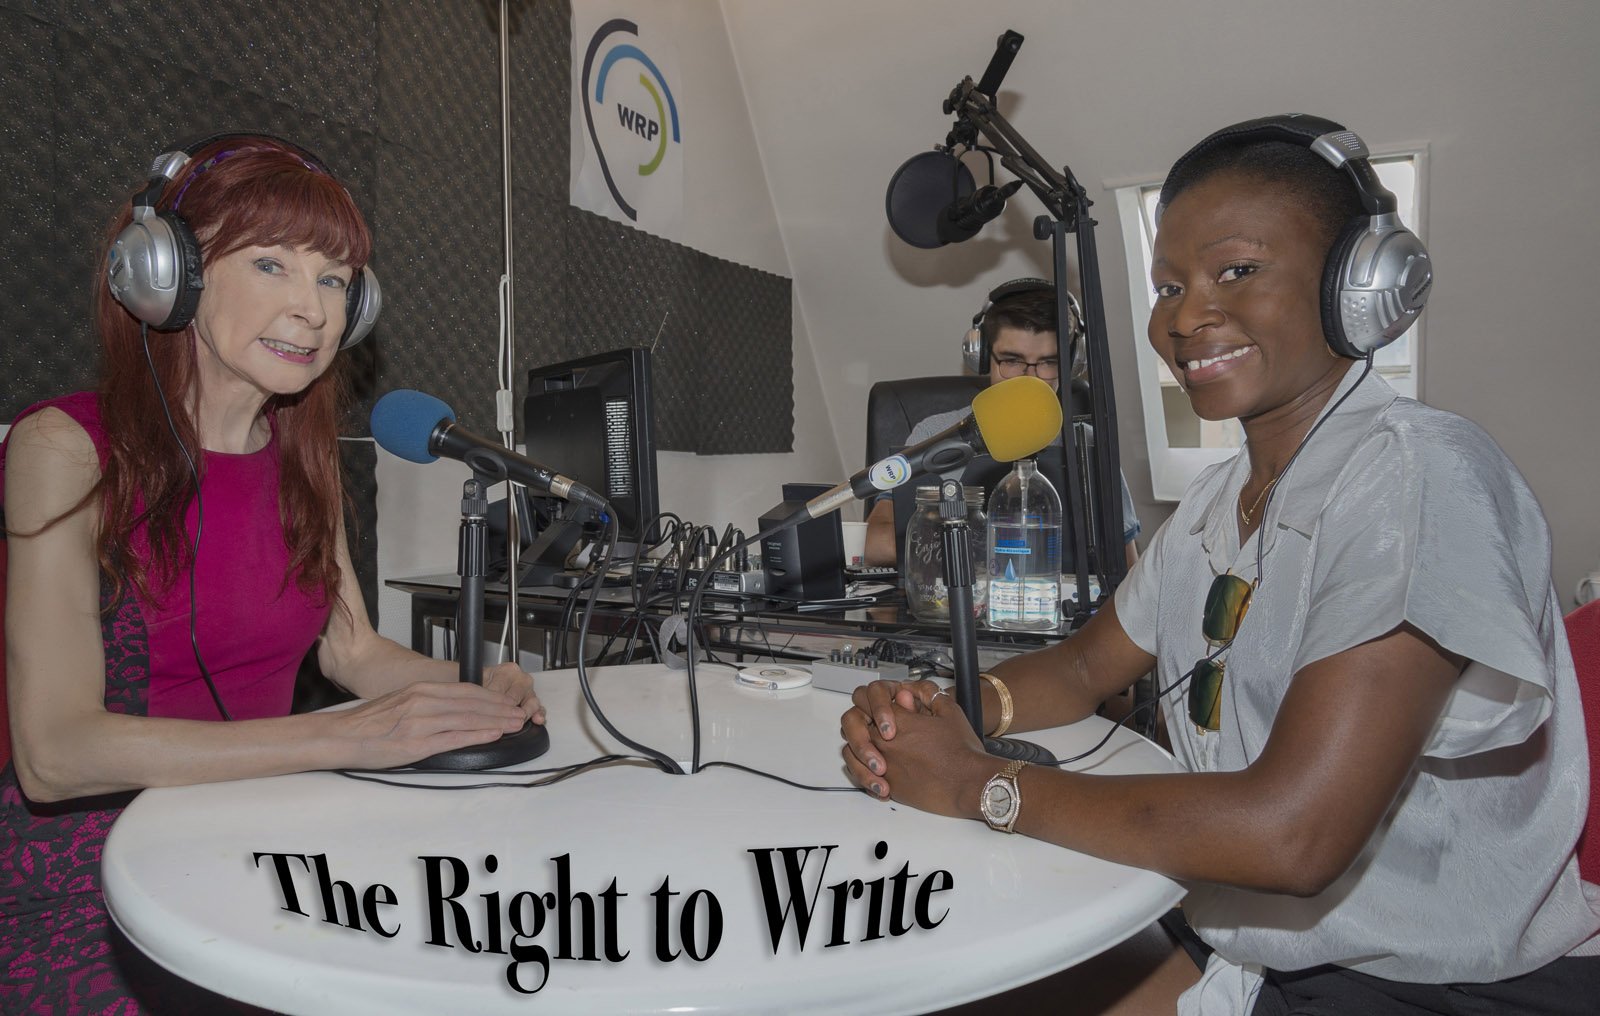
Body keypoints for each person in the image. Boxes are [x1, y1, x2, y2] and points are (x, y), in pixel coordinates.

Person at [842, 115, 1599, 1015]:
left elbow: (1292, 835)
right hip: (1248, 938)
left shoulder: (1420, 477)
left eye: (1235, 270)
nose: (1186, 316)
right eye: (1168, 285)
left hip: (1425, 984)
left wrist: (977, 784)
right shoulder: (1217, 496)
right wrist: (948, 715)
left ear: (1354, 285)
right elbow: (1088, 665)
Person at [1, 135, 546, 1013]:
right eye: (270, 264)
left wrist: (476, 683)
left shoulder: (306, 457)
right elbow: (54, 755)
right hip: (83, 857)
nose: (313, 309)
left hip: (257, 822)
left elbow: (355, 652)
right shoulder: (63, 449)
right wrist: (348, 738)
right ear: (167, 277)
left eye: (333, 280)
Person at [861, 279, 1141, 569]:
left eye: (1048, 362)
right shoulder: (934, 435)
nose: (1028, 379)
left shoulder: (1090, 445)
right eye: (1011, 360)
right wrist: (998, 544)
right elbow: (876, 545)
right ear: (983, 357)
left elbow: (1129, 570)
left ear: (1070, 365)